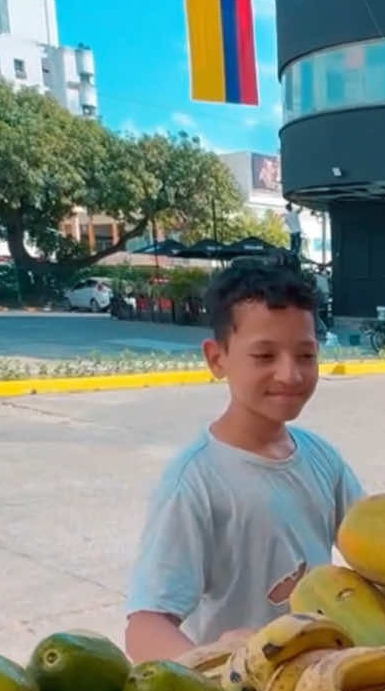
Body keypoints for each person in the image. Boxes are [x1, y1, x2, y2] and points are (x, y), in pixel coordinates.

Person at [124, 261, 360, 662]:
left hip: (323, 681)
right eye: (264, 355)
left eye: (306, 355)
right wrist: (209, 670)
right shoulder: (195, 481)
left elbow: (375, 546)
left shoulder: (323, 459)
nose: (290, 374)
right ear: (217, 359)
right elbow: (146, 625)